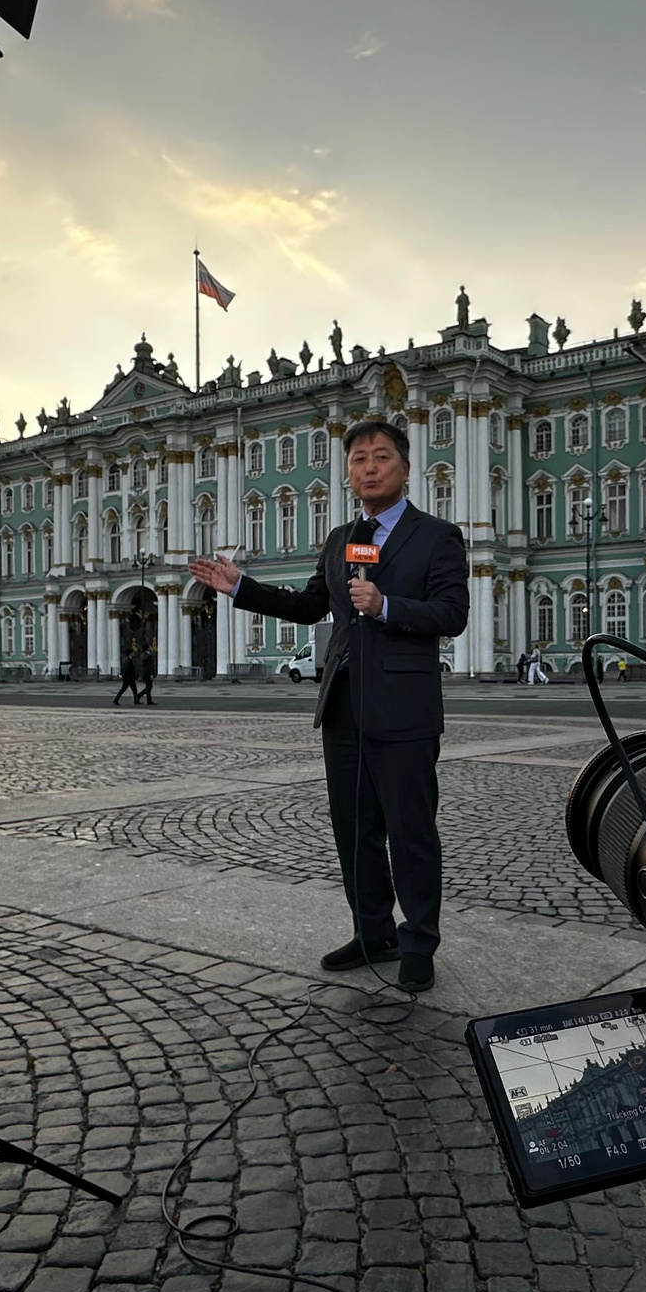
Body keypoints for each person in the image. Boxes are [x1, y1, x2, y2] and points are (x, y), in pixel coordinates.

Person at [192, 418, 468, 995]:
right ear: (348, 472)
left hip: (405, 709)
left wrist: (388, 604)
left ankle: (419, 941)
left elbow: (451, 613)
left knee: (411, 832)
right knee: (355, 832)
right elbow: (312, 606)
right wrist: (242, 587)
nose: (369, 468)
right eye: (359, 459)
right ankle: (374, 933)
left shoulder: (438, 536)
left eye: (381, 457)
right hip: (343, 705)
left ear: (405, 467)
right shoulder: (341, 539)